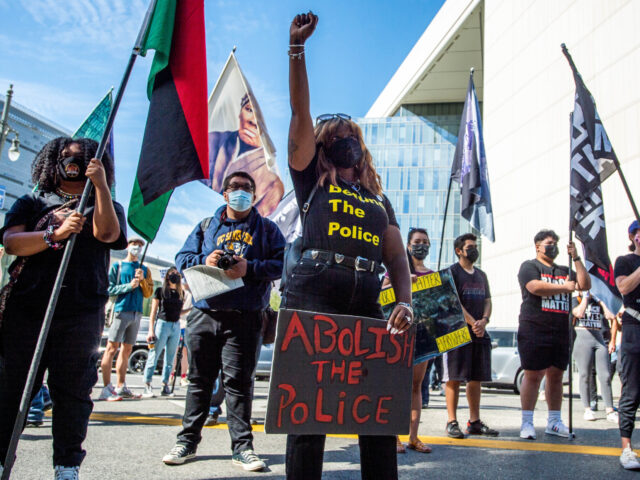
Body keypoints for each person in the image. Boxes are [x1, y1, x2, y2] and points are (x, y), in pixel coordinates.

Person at [284, 12, 414, 480]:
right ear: (322, 147)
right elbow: (300, 116)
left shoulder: (379, 199)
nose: (345, 142)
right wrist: (296, 50)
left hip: (365, 302)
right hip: (312, 297)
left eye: (351, 137)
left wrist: (404, 303)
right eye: (335, 138)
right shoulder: (310, 182)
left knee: (377, 415)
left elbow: (396, 257)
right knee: (306, 419)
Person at [0, 137, 127, 479]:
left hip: (81, 314)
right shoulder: (31, 201)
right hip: (28, 310)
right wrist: (53, 235)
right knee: (13, 388)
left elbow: (107, 235)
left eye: (80, 157)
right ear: (52, 160)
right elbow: (12, 243)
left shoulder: (106, 203)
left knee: (72, 393)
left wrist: (99, 186)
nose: (72, 161)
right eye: (65, 155)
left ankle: (67, 466)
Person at [162, 171, 285, 472]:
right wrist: (204, 262)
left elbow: (283, 263)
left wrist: (249, 267)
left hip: (245, 318)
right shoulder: (206, 226)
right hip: (204, 314)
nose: (240, 192)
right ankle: (187, 441)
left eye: (246, 188)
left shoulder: (267, 230)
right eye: (234, 187)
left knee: (240, 384)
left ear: (254, 195)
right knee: (199, 382)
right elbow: (182, 258)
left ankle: (243, 448)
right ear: (224, 193)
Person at [517, 229, 589, 440]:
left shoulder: (564, 270)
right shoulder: (529, 266)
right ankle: (527, 423)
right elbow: (534, 287)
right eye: (549, 242)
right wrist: (563, 288)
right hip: (534, 328)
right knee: (533, 374)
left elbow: (584, 284)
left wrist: (576, 257)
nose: (553, 246)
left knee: (556, 375)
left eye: (556, 242)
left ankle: (554, 422)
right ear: (538, 246)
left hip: (561, 329)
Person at [382, 227, 432, 454]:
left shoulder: (431, 274)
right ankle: (392, 435)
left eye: (425, 241)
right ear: (409, 245)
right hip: (398, 334)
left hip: (422, 335)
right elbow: (380, 294)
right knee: (393, 385)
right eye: (417, 241)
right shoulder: (397, 271)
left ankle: (413, 436)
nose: (422, 245)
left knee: (416, 386)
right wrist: (401, 284)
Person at [443, 233, 498, 439]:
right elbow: (452, 301)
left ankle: (474, 421)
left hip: (479, 332)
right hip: (456, 332)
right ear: (459, 250)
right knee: (454, 378)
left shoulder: (481, 275)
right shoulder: (452, 272)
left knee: (475, 378)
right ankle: (451, 421)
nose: (474, 249)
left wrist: (484, 320)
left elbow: (488, 300)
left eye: (476, 246)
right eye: (470, 246)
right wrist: (472, 321)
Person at [207, 93, 285, 216]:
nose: (253, 121)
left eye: (260, 119)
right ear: (240, 113)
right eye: (249, 110)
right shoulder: (211, 141)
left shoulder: (273, 185)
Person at [99, 237, 153, 401]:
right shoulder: (118, 266)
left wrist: (142, 280)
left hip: (136, 312)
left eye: (140, 246)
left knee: (127, 349)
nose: (137, 248)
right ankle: (107, 387)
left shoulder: (144, 268)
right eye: (134, 245)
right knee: (112, 347)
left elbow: (148, 293)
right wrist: (128, 286)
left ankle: (121, 385)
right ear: (128, 247)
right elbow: (109, 289)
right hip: (121, 310)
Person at [614, 220, 640, 469]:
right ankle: (626, 448)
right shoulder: (625, 261)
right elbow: (623, 286)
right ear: (634, 236)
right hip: (635, 330)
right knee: (631, 391)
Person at [571, 291, 618, 422]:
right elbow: (579, 313)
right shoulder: (577, 299)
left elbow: (610, 316)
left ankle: (609, 410)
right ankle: (587, 409)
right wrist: (585, 298)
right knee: (585, 375)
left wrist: (601, 301)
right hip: (582, 337)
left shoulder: (598, 301)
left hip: (598, 338)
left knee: (605, 375)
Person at [142, 267, 185, 398]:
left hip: (175, 325)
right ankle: (147, 384)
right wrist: (151, 330)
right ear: (167, 276)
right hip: (162, 324)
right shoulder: (160, 291)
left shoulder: (180, 293)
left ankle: (165, 384)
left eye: (177, 274)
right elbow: (153, 312)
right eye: (172, 274)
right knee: (154, 355)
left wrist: (190, 309)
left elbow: (179, 311)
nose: (175, 276)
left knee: (170, 358)